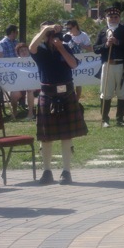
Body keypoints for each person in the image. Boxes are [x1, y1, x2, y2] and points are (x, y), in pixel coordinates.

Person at [29, 21, 88, 185]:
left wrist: (61, 48)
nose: (52, 36)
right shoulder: (41, 50)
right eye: (49, 34)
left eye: (54, 33)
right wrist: (45, 30)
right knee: (46, 137)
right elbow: (31, 47)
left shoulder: (65, 48)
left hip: (66, 94)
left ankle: (66, 172)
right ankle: (47, 171)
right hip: (47, 95)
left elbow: (73, 64)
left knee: (66, 135)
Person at [93, 2, 124, 128]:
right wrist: (106, 45)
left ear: (119, 18)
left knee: (123, 92)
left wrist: (118, 42)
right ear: (106, 18)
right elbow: (96, 48)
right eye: (110, 17)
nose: (113, 19)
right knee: (106, 92)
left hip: (122, 65)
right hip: (108, 64)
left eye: (116, 17)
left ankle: (120, 118)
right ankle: (105, 119)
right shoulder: (102, 31)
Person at [64, 19, 92, 99]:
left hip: (80, 62)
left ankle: (77, 100)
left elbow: (90, 48)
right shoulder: (67, 35)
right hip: (69, 61)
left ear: (75, 26)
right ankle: (70, 100)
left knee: (78, 82)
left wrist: (81, 45)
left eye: (70, 28)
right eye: (67, 28)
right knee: (69, 82)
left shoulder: (83, 35)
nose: (69, 30)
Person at [13, 42, 36, 120]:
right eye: (21, 51)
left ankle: (30, 113)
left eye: (25, 50)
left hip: (34, 84)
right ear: (18, 53)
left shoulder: (34, 59)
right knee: (13, 93)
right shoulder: (15, 62)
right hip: (21, 85)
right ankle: (14, 112)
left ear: (28, 50)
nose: (24, 52)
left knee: (30, 90)